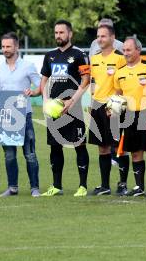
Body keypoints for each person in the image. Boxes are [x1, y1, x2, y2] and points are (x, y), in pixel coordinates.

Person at [39, 19, 91, 197]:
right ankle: (56, 186)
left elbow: (86, 81)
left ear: (70, 34)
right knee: (55, 147)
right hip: (54, 108)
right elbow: (44, 79)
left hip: (73, 108)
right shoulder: (50, 56)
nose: (58, 36)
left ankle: (82, 186)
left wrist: (72, 101)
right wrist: (45, 100)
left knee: (79, 145)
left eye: (61, 32)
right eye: (56, 33)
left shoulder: (79, 54)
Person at [0, 32, 41, 198]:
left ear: (17, 47)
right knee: (9, 155)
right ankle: (12, 187)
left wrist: (32, 92)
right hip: (5, 117)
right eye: (3, 46)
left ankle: (35, 188)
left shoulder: (28, 66)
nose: (5, 49)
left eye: (8, 46)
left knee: (30, 154)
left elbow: (41, 86)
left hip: (24, 115)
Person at [113, 37, 146, 198]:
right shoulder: (119, 73)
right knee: (135, 152)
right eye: (124, 50)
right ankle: (139, 187)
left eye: (129, 50)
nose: (125, 53)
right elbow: (118, 95)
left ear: (138, 50)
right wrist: (112, 107)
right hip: (129, 116)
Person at [88, 24, 130, 196]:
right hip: (97, 106)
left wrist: (115, 104)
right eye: (98, 36)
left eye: (103, 36)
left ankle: (122, 184)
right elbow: (93, 82)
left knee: (119, 147)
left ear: (113, 38)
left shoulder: (120, 58)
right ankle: (105, 185)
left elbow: (124, 84)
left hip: (113, 108)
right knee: (102, 147)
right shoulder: (95, 58)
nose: (100, 39)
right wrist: (91, 102)